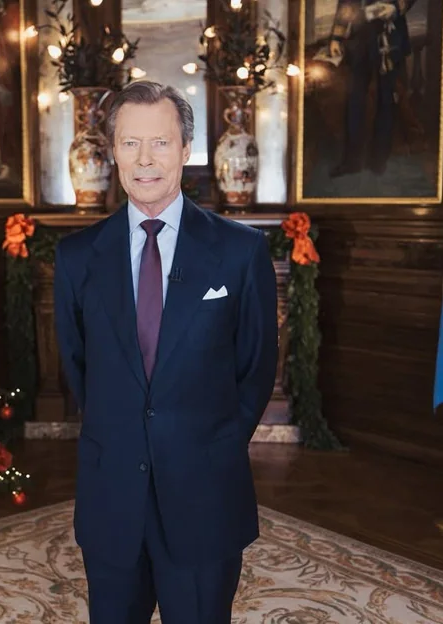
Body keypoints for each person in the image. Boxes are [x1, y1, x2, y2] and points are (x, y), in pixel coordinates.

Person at [54, 80, 278, 623]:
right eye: (130, 143)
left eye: (160, 143)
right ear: (113, 151)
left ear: (186, 150)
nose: (144, 159)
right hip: (112, 499)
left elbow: (256, 367)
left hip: (204, 491)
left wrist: (212, 445)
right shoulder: (78, 256)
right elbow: (79, 368)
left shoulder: (240, 252)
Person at [328, 0, 417, 177]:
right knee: (354, 100)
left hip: (390, 36)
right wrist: (336, 37)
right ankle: (352, 161)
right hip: (360, 38)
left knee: (386, 99)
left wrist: (396, 8)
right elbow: (346, 3)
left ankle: (379, 160)